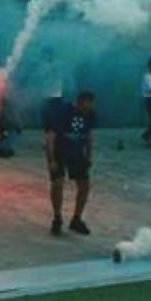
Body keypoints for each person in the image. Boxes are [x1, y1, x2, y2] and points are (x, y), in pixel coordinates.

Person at [44, 91, 97, 236]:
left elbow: (88, 135)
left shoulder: (90, 114)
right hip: (60, 152)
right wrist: (52, 160)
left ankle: (76, 219)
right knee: (58, 184)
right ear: (82, 102)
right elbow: (50, 138)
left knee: (84, 184)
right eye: (90, 103)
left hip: (76, 152)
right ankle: (57, 218)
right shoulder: (62, 112)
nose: (92, 106)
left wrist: (89, 155)